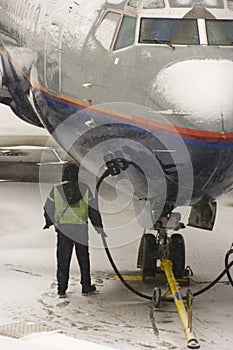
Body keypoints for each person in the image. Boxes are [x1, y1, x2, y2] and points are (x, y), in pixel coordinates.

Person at [43, 163, 105, 298]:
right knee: (83, 259)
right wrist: (99, 227)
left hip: (64, 230)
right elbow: (93, 210)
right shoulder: (84, 189)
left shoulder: (56, 189)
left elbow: (48, 208)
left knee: (63, 259)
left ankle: (61, 289)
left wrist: (49, 222)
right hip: (80, 229)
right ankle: (86, 286)